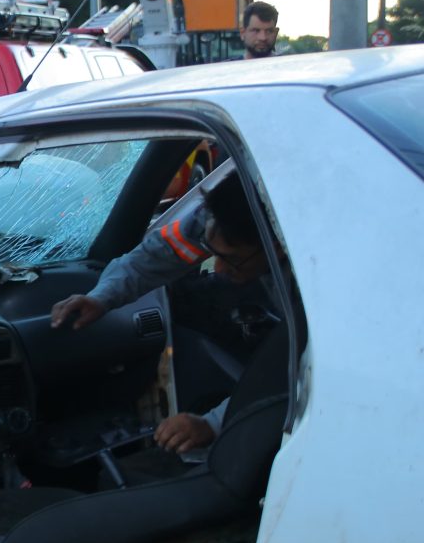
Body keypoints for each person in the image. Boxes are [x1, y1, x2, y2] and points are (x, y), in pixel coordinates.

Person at [51, 174, 274, 455]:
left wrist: (214, 424)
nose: (217, 269)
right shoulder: (215, 219)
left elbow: (294, 375)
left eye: (231, 259)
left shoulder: (320, 284)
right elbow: (158, 256)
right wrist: (101, 297)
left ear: (276, 244)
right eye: (211, 251)